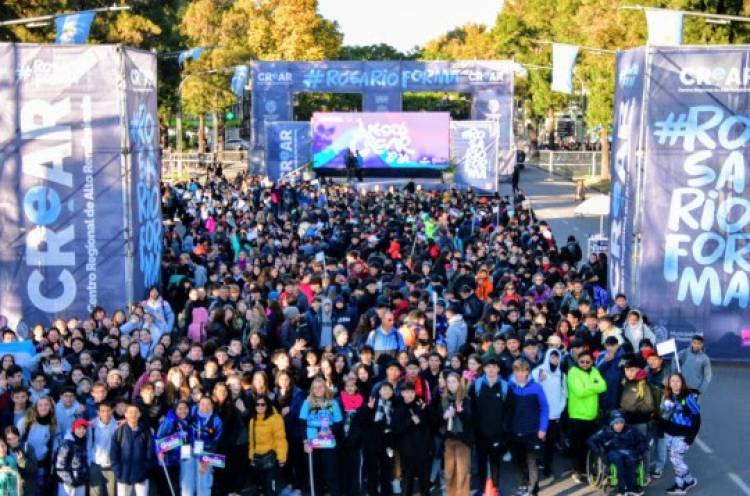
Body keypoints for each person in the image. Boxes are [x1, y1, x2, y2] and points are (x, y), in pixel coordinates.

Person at [470, 357, 511, 491]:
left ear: (498, 369)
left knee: (495, 461)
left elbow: (510, 409)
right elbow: (471, 407)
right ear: (484, 368)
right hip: (480, 432)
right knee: (481, 460)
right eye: (488, 367)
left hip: (497, 433)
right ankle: (483, 487)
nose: (491, 369)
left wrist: (504, 428)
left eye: (494, 367)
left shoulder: (505, 386)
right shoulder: (476, 385)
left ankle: (495, 487)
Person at [508, 359, 548, 496]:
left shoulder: (536, 387)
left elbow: (544, 408)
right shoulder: (509, 387)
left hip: (533, 431)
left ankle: (533, 490)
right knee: (518, 461)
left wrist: (543, 428)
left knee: (532, 462)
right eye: (517, 370)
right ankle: (523, 485)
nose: (520, 373)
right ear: (514, 371)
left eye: (523, 370)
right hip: (514, 431)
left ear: (527, 371)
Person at [566, 350, 607, 482]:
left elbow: (603, 386)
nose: (584, 364)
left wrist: (587, 385)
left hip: (592, 416)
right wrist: (594, 385)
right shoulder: (573, 372)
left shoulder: (594, 370)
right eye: (582, 361)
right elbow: (579, 392)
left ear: (592, 362)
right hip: (578, 415)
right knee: (577, 446)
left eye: (587, 362)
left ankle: (587, 470)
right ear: (577, 361)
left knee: (589, 445)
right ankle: (576, 471)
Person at [587, 410, 648, 496]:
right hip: (613, 451)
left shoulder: (631, 430)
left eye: (621, 422)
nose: (619, 425)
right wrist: (599, 453)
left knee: (631, 459)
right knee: (617, 459)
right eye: (616, 423)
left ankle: (632, 487)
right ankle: (621, 488)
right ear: (611, 423)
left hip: (629, 451)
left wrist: (640, 449)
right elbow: (590, 440)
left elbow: (643, 440)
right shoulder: (605, 431)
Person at [300, 377, 342, 496]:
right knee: (314, 475)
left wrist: (329, 430)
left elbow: (338, 422)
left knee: (331, 474)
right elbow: (302, 423)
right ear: (312, 389)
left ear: (325, 388)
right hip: (312, 442)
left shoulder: (332, 403)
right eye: (315, 387)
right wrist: (305, 442)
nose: (318, 389)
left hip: (328, 442)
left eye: (320, 387)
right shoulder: (307, 402)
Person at [660, 373, 701, 495]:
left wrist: (690, 438)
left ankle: (687, 481)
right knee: (674, 459)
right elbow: (662, 414)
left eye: (678, 381)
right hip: (669, 433)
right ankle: (683, 483)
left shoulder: (688, 397)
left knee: (676, 458)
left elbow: (697, 418)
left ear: (682, 383)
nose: (675, 384)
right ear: (669, 383)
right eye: (672, 381)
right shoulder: (667, 396)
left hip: (683, 434)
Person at [531, 348, 566, 477]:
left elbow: (564, 393)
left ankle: (547, 467)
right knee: (538, 442)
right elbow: (530, 389)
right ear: (547, 357)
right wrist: (539, 381)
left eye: (557, 358)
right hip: (540, 414)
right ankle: (535, 466)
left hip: (554, 415)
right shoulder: (538, 371)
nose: (554, 360)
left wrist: (559, 408)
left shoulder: (561, 374)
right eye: (552, 357)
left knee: (550, 443)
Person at [436, 371, 472, 496]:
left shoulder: (466, 398)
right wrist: (444, 417)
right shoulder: (444, 399)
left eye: (454, 382)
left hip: (462, 439)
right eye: (449, 382)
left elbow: (471, 421)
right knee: (449, 472)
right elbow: (437, 420)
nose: (451, 385)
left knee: (462, 472)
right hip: (448, 439)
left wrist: (461, 412)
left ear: (459, 382)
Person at [393, 382, 432, 496]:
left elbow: (432, 423)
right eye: (406, 392)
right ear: (402, 393)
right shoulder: (398, 408)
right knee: (407, 479)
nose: (409, 395)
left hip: (423, 449)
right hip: (407, 451)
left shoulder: (421, 405)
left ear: (415, 393)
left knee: (424, 480)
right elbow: (396, 429)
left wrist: (426, 410)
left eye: (411, 392)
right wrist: (410, 422)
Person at [110, 404, 155, 496]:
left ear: (139, 414)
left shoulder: (146, 432)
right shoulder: (119, 432)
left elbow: (150, 453)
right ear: (125, 414)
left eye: (136, 412)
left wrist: (145, 470)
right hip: (123, 475)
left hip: (141, 475)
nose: (133, 415)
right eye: (130, 412)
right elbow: (113, 454)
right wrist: (118, 471)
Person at [183, 396, 222, 496]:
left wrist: (206, 460)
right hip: (189, 451)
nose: (205, 407)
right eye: (202, 404)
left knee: (203, 482)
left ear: (212, 406)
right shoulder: (191, 415)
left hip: (205, 453)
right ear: (198, 405)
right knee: (187, 482)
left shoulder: (216, 420)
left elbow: (216, 442)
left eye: (208, 404)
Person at [249, 394, 288, 496]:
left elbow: (280, 439)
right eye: (257, 404)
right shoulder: (253, 420)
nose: (260, 407)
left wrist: (282, 457)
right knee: (263, 488)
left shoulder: (276, 419)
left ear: (268, 405)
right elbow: (252, 441)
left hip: (272, 458)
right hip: (258, 459)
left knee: (272, 487)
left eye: (263, 404)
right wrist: (251, 457)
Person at [154, 401, 191, 496]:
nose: (183, 411)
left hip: (178, 460)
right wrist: (159, 451)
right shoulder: (169, 421)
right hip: (168, 461)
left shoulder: (185, 422)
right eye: (180, 408)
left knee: (175, 488)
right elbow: (158, 437)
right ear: (175, 410)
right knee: (166, 489)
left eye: (185, 408)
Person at [88, 401, 118, 496]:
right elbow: (88, 445)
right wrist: (89, 462)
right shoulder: (92, 426)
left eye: (108, 410)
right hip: (95, 464)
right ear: (98, 412)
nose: (105, 413)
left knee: (111, 493)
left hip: (111, 466)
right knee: (95, 493)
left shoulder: (117, 426)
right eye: (102, 411)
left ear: (112, 411)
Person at [55, 418, 89, 496]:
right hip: (67, 485)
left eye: (84, 428)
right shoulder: (66, 444)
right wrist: (70, 481)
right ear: (74, 429)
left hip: (80, 483)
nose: (82, 431)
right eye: (79, 428)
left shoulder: (83, 442)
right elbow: (60, 465)